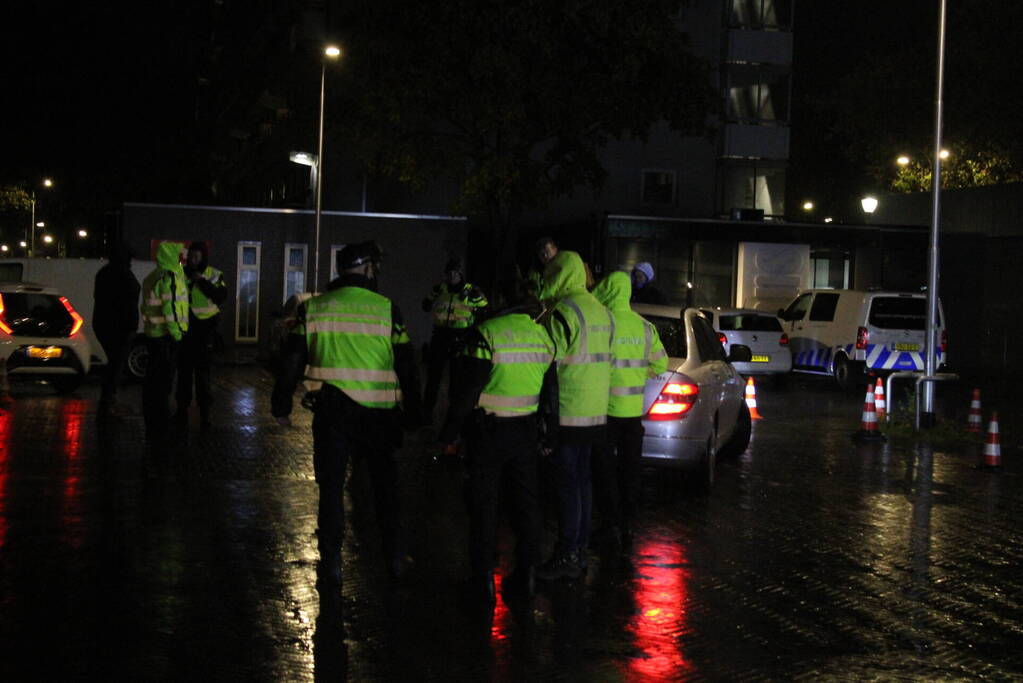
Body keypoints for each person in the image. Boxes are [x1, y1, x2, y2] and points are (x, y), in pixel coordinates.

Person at [302, 241, 423, 585]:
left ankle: (331, 564)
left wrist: (281, 404)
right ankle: (395, 557)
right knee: (386, 490)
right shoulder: (386, 309)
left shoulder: (317, 307)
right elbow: (406, 363)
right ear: (369, 268)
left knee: (331, 490)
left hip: (332, 412)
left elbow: (293, 355)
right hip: (378, 416)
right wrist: (414, 411)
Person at [438, 276, 554, 605]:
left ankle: (483, 579)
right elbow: (551, 394)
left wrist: (449, 435)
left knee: (484, 505)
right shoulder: (542, 337)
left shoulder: (487, 334)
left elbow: (465, 394)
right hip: (525, 432)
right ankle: (527, 575)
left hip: (488, 433)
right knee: (526, 504)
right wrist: (550, 433)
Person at [535, 251, 612, 581]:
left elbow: (546, 359)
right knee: (583, 483)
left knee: (567, 487)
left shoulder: (563, 312)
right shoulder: (602, 311)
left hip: (568, 411)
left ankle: (567, 553)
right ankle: (578, 550)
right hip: (595, 415)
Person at [591, 271, 668, 547]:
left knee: (604, 471)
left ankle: (608, 524)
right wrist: (639, 375)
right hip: (633, 415)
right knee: (630, 472)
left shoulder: (604, 325)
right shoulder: (645, 327)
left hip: (606, 411)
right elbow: (660, 364)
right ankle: (627, 526)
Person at [421, 259, 487, 422]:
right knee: (433, 377)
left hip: (460, 337)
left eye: (454, 273)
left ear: (460, 274)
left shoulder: (471, 291)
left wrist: (473, 328)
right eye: (448, 273)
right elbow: (425, 306)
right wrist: (431, 296)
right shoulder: (440, 289)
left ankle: (453, 416)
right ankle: (427, 412)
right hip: (440, 336)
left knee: (457, 380)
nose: (451, 276)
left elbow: (485, 309)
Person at [175, 241, 227, 431]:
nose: (194, 260)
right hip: (185, 332)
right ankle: (182, 411)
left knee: (203, 378)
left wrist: (201, 281)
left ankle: (205, 415)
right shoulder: (180, 273)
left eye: (197, 257)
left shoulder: (214, 274)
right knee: (184, 376)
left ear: (204, 257)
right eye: (191, 256)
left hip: (205, 332)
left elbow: (221, 296)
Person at [140, 241, 189, 442]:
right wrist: (178, 336)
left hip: (153, 335)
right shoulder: (170, 277)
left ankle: (153, 421)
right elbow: (171, 310)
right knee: (163, 384)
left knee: (153, 383)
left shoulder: (153, 276)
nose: (181, 259)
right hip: (166, 338)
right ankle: (160, 424)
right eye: (178, 255)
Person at [93, 242, 140, 417]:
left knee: (113, 363)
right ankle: (108, 401)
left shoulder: (104, 273)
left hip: (103, 325)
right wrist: (131, 327)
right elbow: (128, 304)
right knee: (116, 364)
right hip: (120, 328)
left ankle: (107, 400)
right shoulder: (124, 275)